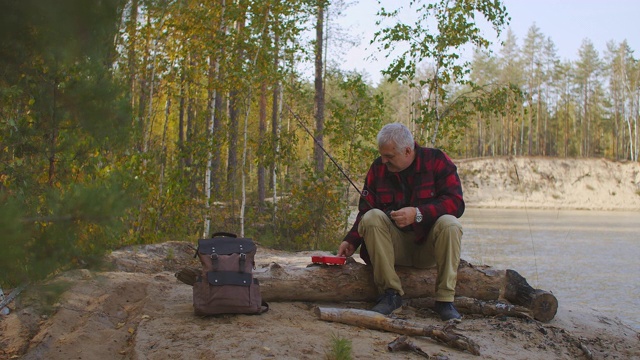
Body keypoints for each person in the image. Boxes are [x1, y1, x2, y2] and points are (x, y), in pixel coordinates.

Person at [337, 123, 465, 321]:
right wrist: (351, 241)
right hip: (393, 248)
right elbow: (365, 211)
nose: (383, 161)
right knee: (372, 217)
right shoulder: (378, 168)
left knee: (450, 223)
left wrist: (418, 213)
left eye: (389, 157)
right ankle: (390, 295)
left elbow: (456, 203)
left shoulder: (436, 160)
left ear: (407, 151)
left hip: (428, 249)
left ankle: (445, 300)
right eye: (382, 155)